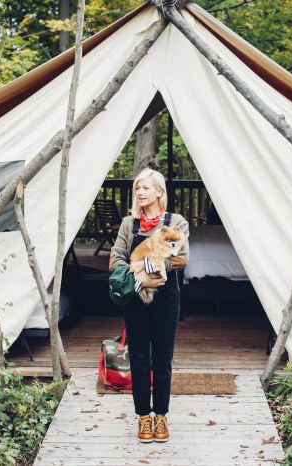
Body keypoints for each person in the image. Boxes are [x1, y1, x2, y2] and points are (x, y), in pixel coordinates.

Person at [110, 168, 190, 443]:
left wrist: (145, 265)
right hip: (135, 296)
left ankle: (162, 416)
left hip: (167, 297)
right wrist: (142, 278)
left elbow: (181, 259)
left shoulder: (175, 221)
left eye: (145, 188)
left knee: (163, 360)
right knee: (140, 358)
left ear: (159, 191)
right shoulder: (128, 224)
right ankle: (144, 417)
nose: (140, 193)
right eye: (137, 189)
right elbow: (115, 261)